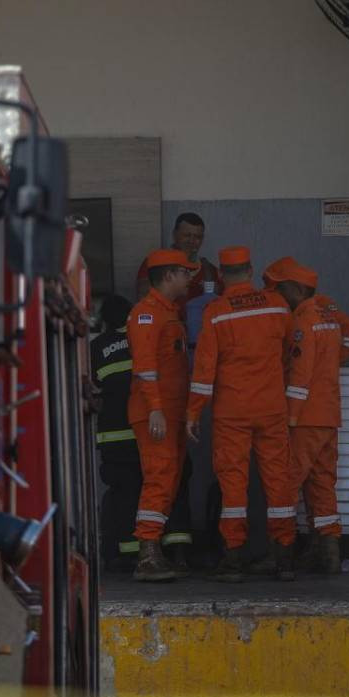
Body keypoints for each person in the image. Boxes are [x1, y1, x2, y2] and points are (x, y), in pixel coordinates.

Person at [187, 246, 298, 583]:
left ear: (221, 275)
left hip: (232, 411)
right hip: (272, 407)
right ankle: (284, 557)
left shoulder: (216, 311)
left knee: (233, 483)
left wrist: (193, 412)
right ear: (251, 271)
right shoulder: (278, 305)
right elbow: (287, 354)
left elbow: (205, 368)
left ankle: (232, 559)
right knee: (278, 480)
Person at [268, 258, 349, 575]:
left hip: (305, 418)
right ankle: (329, 553)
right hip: (330, 414)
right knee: (323, 483)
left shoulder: (302, 320)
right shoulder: (328, 313)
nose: (276, 295)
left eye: (278, 288)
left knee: (286, 483)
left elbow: (300, 375)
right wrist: (333, 359)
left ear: (294, 288)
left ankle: (282, 555)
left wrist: (291, 417)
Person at [126, 249, 197, 582]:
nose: (190, 278)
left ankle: (154, 550)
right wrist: (155, 409)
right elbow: (145, 369)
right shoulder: (147, 314)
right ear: (169, 275)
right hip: (157, 413)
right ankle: (148, 554)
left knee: (169, 478)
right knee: (159, 477)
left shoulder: (168, 313)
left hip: (170, 412)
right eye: (185, 272)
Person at [91, 295, 144, 571]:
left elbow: (92, 388)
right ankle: (161, 549)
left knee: (122, 494)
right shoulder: (142, 338)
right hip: (145, 431)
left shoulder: (98, 346)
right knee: (153, 490)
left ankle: (126, 553)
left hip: (112, 435)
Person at [136, 213, 222, 338]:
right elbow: (143, 299)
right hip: (165, 336)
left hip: (199, 341)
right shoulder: (155, 263)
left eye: (197, 237)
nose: (192, 241)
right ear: (174, 235)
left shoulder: (209, 270)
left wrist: (216, 293)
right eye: (187, 235)